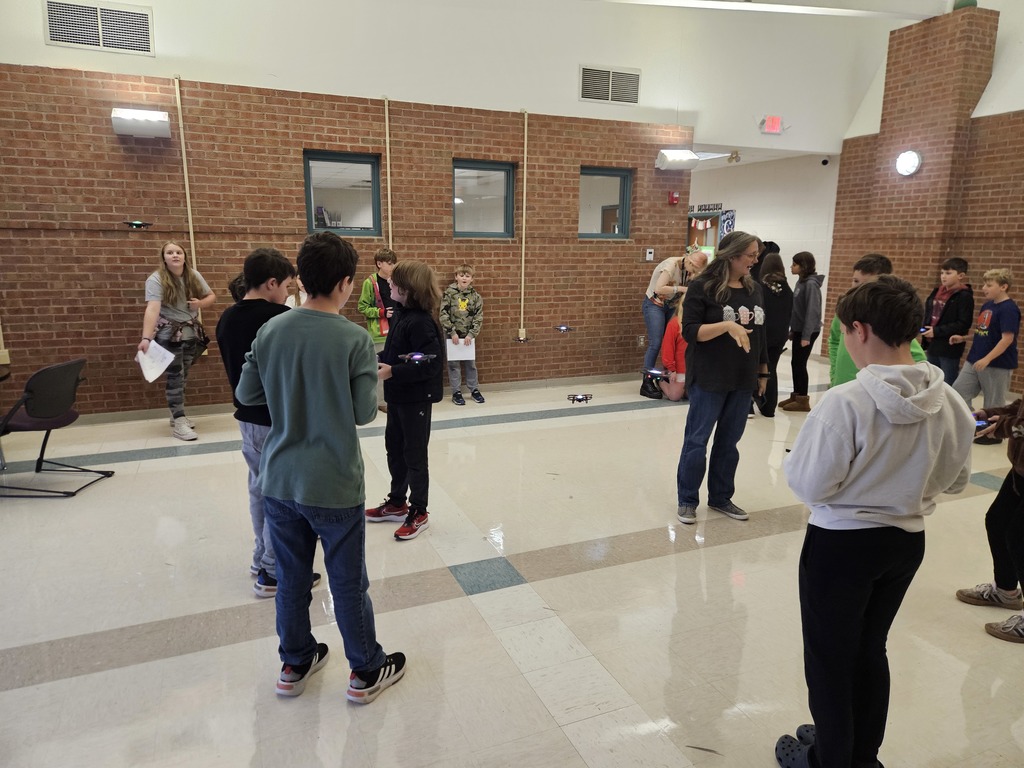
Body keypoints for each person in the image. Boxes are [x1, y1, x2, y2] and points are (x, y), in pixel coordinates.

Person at [778, 275, 973, 768]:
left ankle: (829, 757)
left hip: (841, 547)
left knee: (828, 662)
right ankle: (861, 754)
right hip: (905, 544)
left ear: (859, 330)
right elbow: (954, 482)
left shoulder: (846, 402)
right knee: (869, 649)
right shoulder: (949, 400)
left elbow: (808, 485)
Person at [235, 231, 405, 703]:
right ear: (346, 283)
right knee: (348, 581)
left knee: (290, 578)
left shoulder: (270, 330)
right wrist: (369, 375)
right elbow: (362, 411)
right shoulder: (353, 339)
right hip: (333, 483)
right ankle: (366, 670)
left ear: (301, 279)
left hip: (280, 480)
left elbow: (247, 396)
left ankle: (294, 662)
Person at [217, 247, 323, 599]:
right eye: (289, 286)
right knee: (283, 498)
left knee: (260, 490)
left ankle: (260, 558)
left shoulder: (227, 318)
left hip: (247, 421)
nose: (289, 293)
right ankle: (274, 573)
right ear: (272, 283)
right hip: (277, 422)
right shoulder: (277, 320)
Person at [676, 232, 768, 525]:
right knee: (697, 440)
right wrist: (726, 325)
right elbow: (689, 331)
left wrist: (762, 370)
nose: (755, 260)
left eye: (757, 255)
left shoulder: (754, 289)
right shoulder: (702, 287)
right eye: (751, 255)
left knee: (729, 443)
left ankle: (721, 497)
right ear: (731, 255)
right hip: (709, 377)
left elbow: (761, 334)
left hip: (742, 378)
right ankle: (688, 500)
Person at [365, 260, 444, 540]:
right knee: (394, 449)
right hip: (397, 397)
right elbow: (397, 352)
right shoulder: (400, 315)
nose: (388, 282)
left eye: (394, 281)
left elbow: (429, 364)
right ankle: (398, 502)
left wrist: (394, 371)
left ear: (409, 289)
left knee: (414, 455)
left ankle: (419, 510)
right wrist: (380, 361)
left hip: (415, 400)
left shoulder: (422, 323)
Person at [955, 395, 1024, 643]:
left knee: (1019, 538)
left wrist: (1005, 426)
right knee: (998, 521)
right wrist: (989, 413)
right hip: (1020, 469)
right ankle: (1005, 591)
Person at [137, 241, 217, 441]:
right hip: (169, 334)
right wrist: (146, 337)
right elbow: (153, 309)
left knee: (184, 374)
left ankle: (176, 415)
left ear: (184, 256)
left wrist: (200, 303)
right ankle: (179, 420)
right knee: (175, 376)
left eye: (178, 252)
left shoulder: (193, 275)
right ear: (163, 257)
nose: (175, 255)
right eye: (170, 252)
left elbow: (211, 296)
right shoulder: (156, 279)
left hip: (190, 332)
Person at [824, 254, 927, 390]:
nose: (858, 289)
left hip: (872, 389)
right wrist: (834, 373)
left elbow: (915, 356)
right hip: (843, 385)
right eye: (855, 281)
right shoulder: (844, 311)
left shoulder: (885, 320)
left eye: (866, 284)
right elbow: (835, 340)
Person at [952, 268, 1020, 445]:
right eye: (984, 284)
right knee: (959, 391)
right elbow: (983, 331)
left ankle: (991, 433)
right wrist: (964, 338)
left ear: (1004, 286)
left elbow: (1007, 339)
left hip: (997, 363)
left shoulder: (1009, 309)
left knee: (993, 402)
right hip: (975, 358)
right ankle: (974, 423)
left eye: (989, 285)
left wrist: (988, 358)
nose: (984, 288)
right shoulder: (988, 305)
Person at [641, 250, 702, 398]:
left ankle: (667, 376)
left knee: (670, 341)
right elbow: (659, 288)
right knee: (655, 343)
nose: (693, 274)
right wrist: (682, 289)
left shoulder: (687, 270)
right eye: (693, 270)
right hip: (655, 303)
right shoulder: (670, 265)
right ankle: (647, 382)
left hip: (670, 304)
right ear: (689, 262)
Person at [782, 251, 823, 413]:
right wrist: (793, 330)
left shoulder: (811, 285)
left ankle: (803, 400)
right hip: (799, 330)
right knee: (795, 363)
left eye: (794, 264)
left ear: (803, 266)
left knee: (800, 364)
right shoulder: (801, 282)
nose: (791, 267)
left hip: (809, 331)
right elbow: (798, 310)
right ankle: (796, 395)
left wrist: (806, 335)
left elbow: (812, 311)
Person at [921, 257, 974, 385]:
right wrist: (924, 328)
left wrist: (937, 331)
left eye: (948, 273)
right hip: (931, 344)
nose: (943, 276)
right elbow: (929, 314)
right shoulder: (936, 292)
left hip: (948, 346)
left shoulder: (964, 296)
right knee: (930, 381)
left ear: (961, 275)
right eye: (942, 273)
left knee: (947, 383)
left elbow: (963, 323)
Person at [358, 247, 398, 412]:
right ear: (379, 263)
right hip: (379, 333)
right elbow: (362, 307)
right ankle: (381, 401)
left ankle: (393, 397)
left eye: (393, 263)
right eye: (389, 263)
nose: (392, 266)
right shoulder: (370, 282)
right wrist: (381, 312)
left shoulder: (396, 279)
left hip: (396, 329)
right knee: (380, 366)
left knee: (394, 365)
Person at [755, 252, 794, 417]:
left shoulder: (760, 287)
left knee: (755, 369)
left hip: (763, 334)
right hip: (780, 336)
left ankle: (749, 406)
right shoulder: (787, 289)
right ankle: (769, 408)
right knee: (772, 369)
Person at [440, 264, 484, 405]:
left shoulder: (475, 297)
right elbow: (443, 314)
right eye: (461, 275)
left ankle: (474, 389)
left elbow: (478, 317)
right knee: (453, 364)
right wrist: (451, 332)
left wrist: (471, 334)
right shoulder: (449, 293)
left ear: (472, 279)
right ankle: (456, 392)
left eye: (467, 276)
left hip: (468, 336)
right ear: (456, 277)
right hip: (452, 335)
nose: (464, 278)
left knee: (470, 364)